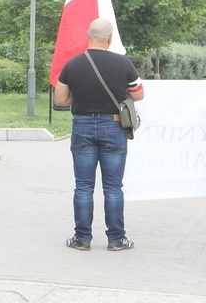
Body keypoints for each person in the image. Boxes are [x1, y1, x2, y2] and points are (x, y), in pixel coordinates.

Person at [54, 18, 144, 252]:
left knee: (83, 186)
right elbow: (139, 94)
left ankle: (82, 239)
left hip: (82, 126)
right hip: (113, 127)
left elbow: (60, 99)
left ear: (88, 35)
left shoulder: (72, 64)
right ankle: (116, 239)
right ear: (110, 38)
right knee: (113, 187)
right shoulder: (123, 63)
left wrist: (82, 97)